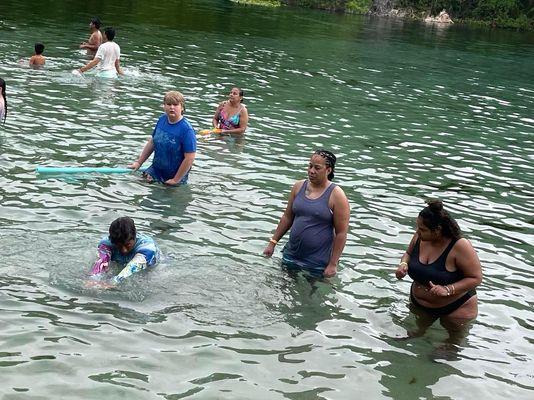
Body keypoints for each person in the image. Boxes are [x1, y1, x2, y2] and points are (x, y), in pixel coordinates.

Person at [395, 200, 482, 338]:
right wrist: (403, 265)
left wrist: (448, 289)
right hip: (419, 304)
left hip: (456, 307)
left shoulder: (460, 245)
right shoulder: (419, 236)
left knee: (450, 348)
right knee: (414, 338)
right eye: (418, 227)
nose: (418, 231)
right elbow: (408, 254)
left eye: (422, 229)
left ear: (437, 230)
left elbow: (476, 278)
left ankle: (451, 346)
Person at [263, 150, 350, 277]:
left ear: (328, 170)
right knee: (282, 290)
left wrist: (333, 264)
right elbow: (287, 217)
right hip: (291, 255)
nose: (311, 171)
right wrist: (272, 243)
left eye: (317, 168)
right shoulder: (298, 187)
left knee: (311, 295)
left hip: (317, 262)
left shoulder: (337, 195)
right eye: (310, 166)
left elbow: (341, 233)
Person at [129, 91, 197, 185]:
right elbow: (153, 142)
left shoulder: (187, 130)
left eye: (175, 104)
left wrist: (175, 180)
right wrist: (139, 163)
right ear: (164, 106)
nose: (172, 107)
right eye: (168, 104)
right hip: (156, 170)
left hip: (175, 176)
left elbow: (190, 158)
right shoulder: (162, 120)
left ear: (182, 107)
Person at [90, 217, 160, 285]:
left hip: (151, 267)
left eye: (128, 245)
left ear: (135, 236)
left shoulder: (147, 247)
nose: (124, 250)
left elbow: (132, 268)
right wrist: (93, 280)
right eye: (119, 246)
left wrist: (112, 283)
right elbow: (101, 262)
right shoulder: (106, 244)